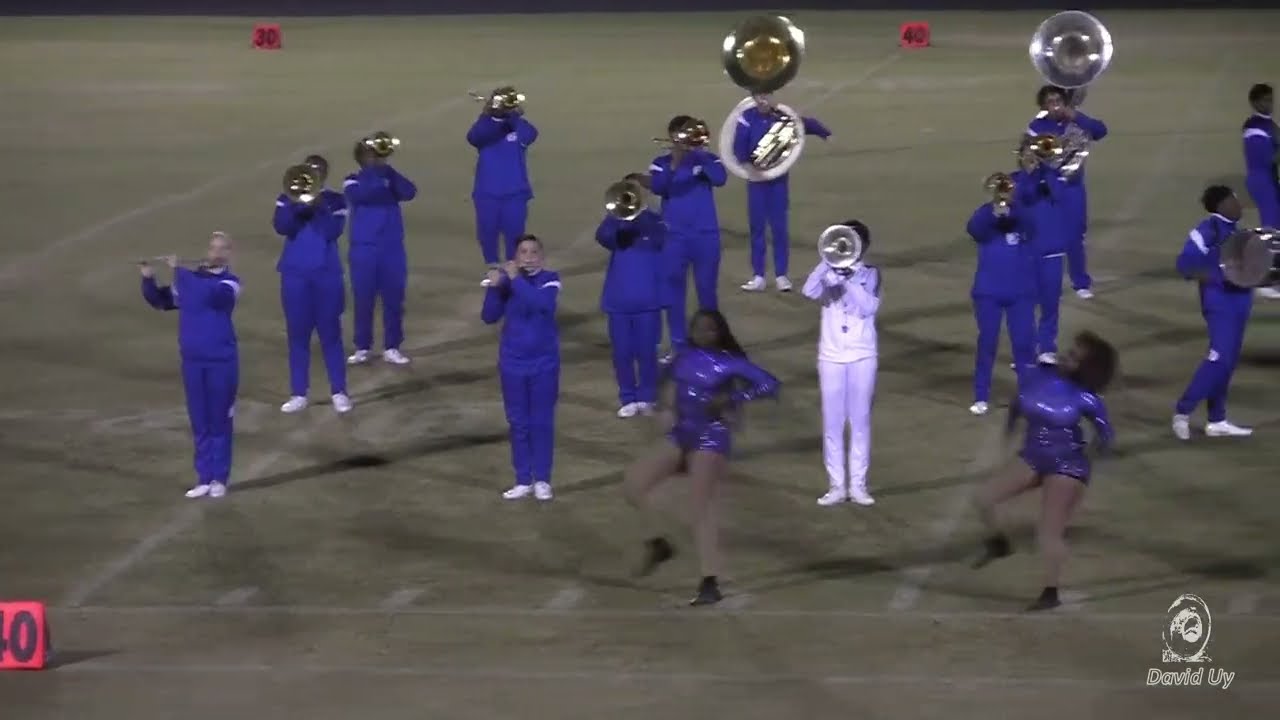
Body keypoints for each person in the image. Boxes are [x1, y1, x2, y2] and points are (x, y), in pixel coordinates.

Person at [623, 310, 780, 606]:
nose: (703, 333)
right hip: (680, 433)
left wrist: (733, 400)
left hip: (711, 437)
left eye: (709, 329)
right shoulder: (681, 356)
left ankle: (711, 579)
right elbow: (660, 378)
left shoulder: (730, 362)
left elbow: (770, 384)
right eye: (698, 328)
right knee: (634, 483)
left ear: (719, 332)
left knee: (700, 507)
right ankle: (659, 544)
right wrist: (663, 407)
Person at [971, 331, 1117, 611]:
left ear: (1086, 367)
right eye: (1070, 350)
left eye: (1074, 356)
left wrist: (1094, 454)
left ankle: (1050, 592)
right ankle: (1000, 543)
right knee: (983, 498)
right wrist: (1009, 433)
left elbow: (1106, 433)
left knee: (1048, 533)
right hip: (1033, 456)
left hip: (1067, 465)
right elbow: (1017, 403)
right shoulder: (1039, 377)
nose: (1066, 355)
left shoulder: (1086, 398)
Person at [139, 233, 241, 499]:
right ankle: (204, 478)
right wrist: (148, 278)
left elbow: (212, 297)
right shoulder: (191, 281)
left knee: (219, 420)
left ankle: (220, 477)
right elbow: (161, 301)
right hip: (193, 362)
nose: (216, 252)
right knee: (199, 421)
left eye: (222, 249)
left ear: (229, 254)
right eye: (212, 247)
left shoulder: (229, 283)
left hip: (221, 362)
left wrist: (179, 272)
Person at [801, 220, 880, 506]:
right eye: (843, 241)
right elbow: (808, 291)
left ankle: (858, 485)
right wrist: (827, 263)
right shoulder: (827, 268)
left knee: (859, 421)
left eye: (852, 242)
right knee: (832, 423)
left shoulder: (870, 273)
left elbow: (868, 307)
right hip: (831, 356)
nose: (847, 247)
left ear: (863, 247)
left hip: (862, 355)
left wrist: (847, 280)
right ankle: (836, 486)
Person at [1171, 185, 1254, 439]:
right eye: (1234, 200)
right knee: (1218, 359)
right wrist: (1214, 277)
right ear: (1220, 205)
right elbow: (1184, 263)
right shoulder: (1207, 230)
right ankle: (1182, 412)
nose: (1239, 205)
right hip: (1220, 303)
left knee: (1227, 364)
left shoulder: (1237, 232)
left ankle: (1217, 419)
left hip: (1240, 302)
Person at [481, 235, 560, 500]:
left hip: (544, 364)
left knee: (542, 422)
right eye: (523, 252)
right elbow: (489, 316)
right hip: (512, 363)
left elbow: (543, 305)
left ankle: (543, 479)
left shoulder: (550, 279)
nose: (528, 256)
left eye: (533, 251)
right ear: (515, 257)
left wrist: (513, 280)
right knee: (518, 423)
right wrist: (494, 287)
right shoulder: (508, 283)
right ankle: (523, 479)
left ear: (541, 256)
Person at [272, 155, 352, 414]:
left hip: (326, 274)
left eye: (315, 175)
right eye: (308, 174)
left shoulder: (337, 200)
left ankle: (339, 391)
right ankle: (299, 393)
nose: (310, 180)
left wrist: (318, 207)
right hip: (295, 274)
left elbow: (332, 232)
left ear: (324, 175)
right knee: (297, 335)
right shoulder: (286, 198)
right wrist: (297, 208)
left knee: (331, 334)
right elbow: (281, 227)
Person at [734, 93, 831, 293]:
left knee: (779, 230)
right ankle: (758, 276)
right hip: (756, 183)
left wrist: (825, 133)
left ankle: (781, 276)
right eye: (759, 97)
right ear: (753, 97)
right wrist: (751, 166)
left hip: (778, 182)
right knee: (757, 230)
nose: (763, 101)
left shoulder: (782, 117)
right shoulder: (746, 119)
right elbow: (739, 150)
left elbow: (805, 124)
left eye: (767, 97)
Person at [649, 116, 727, 360]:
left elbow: (720, 178)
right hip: (674, 238)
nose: (685, 139)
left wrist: (700, 155)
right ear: (672, 137)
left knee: (707, 292)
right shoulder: (660, 163)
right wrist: (676, 161)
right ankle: (679, 345)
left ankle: (712, 346)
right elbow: (660, 187)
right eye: (681, 134)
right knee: (674, 293)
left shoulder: (707, 159)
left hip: (705, 235)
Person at [1026, 85, 1108, 299]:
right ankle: (1037, 282)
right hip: (1047, 187)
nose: (1055, 106)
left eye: (1058, 101)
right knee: (1042, 237)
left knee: (1074, 237)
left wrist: (1076, 116)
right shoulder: (1036, 126)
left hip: (1073, 188)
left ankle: (1080, 283)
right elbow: (1028, 156)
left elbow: (1101, 131)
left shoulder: (1076, 121)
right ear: (1043, 106)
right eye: (1050, 102)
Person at [596, 176, 666, 418]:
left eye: (636, 191)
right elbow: (604, 237)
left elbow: (660, 239)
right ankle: (627, 397)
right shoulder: (614, 220)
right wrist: (620, 222)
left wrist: (640, 218)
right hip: (619, 300)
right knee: (622, 352)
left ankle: (647, 396)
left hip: (648, 300)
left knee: (647, 351)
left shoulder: (655, 221)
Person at [343, 139, 418, 366]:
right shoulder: (352, 180)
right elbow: (363, 195)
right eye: (372, 155)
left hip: (391, 248)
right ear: (363, 159)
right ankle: (362, 346)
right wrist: (380, 177)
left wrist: (387, 171)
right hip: (363, 249)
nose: (377, 158)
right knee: (363, 299)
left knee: (394, 300)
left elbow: (410, 191)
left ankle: (392, 346)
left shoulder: (389, 176)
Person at [966, 178, 1037, 415]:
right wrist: (994, 213)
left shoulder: (1021, 215)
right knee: (987, 343)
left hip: (1021, 292)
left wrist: (1011, 211)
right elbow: (974, 230)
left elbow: (1030, 227)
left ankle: (1028, 396)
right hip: (988, 292)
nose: (1003, 195)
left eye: (1007, 191)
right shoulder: (985, 215)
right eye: (1000, 191)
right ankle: (981, 396)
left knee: (1024, 344)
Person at [467, 89, 538, 286]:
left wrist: (512, 115)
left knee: (515, 234)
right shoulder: (486, 126)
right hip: (487, 191)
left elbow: (531, 135)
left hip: (516, 192)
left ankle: (512, 270)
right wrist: (490, 115)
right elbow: (474, 137)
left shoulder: (518, 127)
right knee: (487, 233)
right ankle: (492, 270)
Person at [1015, 136, 1070, 363]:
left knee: (1050, 303)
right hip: (1025, 252)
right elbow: (1024, 197)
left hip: (1051, 250)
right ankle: (1025, 350)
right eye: (1028, 152)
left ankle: (1047, 347)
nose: (1032, 156)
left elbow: (1058, 194)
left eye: (1035, 151)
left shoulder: (1053, 176)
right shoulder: (1014, 181)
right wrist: (1029, 175)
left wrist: (1045, 169)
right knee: (1024, 304)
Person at [1242, 83, 1280, 299]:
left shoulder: (1267, 125)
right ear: (1255, 103)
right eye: (1265, 100)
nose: (1270, 104)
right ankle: (1263, 278)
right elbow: (1263, 160)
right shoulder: (1255, 127)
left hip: (1269, 180)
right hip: (1261, 180)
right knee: (1271, 228)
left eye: (1271, 99)